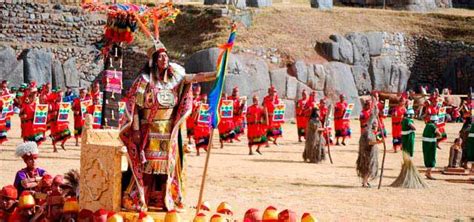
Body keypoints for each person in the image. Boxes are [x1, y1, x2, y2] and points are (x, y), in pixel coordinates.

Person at [119, 42, 217, 211]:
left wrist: (216, 74)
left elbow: (195, 77)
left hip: (168, 132)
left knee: (167, 168)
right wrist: (135, 129)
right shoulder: (144, 81)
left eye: (166, 56)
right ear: (154, 60)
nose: (164, 59)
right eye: (160, 57)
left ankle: (166, 200)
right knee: (148, 167)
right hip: (148, 130)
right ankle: (144, 199)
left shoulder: (176, 77)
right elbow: (135, 107)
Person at [391, 109, 427, 188]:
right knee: (408, 153)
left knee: (405, 153)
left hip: (404, 138)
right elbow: (414, 128)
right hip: (408, 139)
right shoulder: (408, 120)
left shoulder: (403, 120)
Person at [356, 99, 380, 188]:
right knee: (366, 162)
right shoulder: (363, 113)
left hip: (370, 137)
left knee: (369, 163)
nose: (368, 106)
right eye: (367, 104)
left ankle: (365, 181)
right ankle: (364, 181)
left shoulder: (371, 114)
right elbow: (363, 122)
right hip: (366, 139)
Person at [422, 115, 442, 180]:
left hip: (425, 144)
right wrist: (436, 137)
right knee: (431, 158)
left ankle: (428, 172)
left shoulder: (427, 125)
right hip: (431, 144)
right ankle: (428, 173)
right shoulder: (433, 126)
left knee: (427, 157)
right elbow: (440, 135)